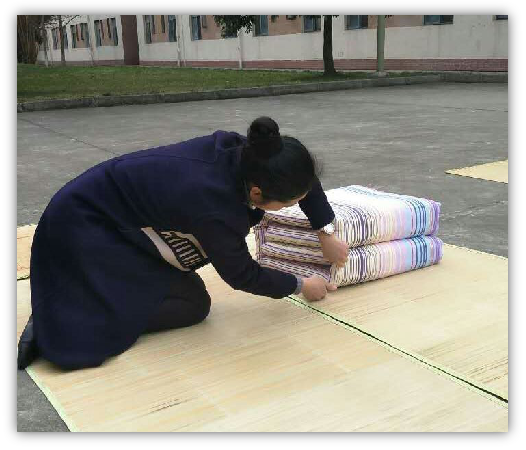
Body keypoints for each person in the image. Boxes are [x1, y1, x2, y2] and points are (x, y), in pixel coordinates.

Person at [17, 117, 349, 371]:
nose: (293, 206)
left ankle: (76, 299)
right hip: (84, 226)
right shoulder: (214, 206)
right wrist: (300, 284)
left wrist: (326, 232)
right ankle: (67, 312)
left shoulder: (252, 155)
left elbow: (301, 178)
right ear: (257, 194)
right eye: (289, 203)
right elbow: (242, 274)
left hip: (121, 220)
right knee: (192, 307)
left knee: (189, 299)